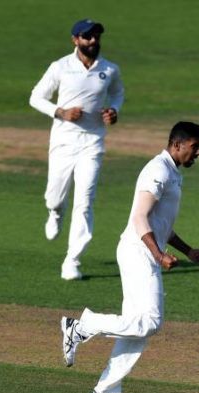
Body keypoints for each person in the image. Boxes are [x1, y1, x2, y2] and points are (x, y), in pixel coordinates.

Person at [60, 122, 199, 393]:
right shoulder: (158, 171)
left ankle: (106, 389)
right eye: (195, 146)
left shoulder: (172, 173)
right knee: (150, 322)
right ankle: (81, 326)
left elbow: (161, 225)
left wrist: (188, 251)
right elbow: (140, 218)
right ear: (177, 144)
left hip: (143, 251)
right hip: (137, 252)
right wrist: (159, 255)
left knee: (139, 330)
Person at [30, 18, 125, 280]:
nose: (93, 41)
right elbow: (36, 97)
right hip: (63, 141)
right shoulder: (60, 67)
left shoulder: (109, 69)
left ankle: (72, 261)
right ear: (75, 40)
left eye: (96, 36)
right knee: (56, 196)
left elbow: (117, 94)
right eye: (87, 37)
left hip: (92, 143)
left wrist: (114, 111)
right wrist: (60, 112)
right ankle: (55, 211)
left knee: (85, 202)